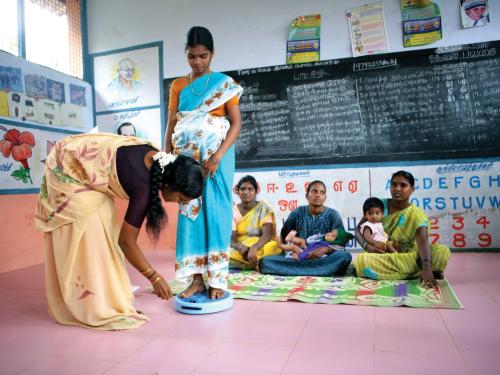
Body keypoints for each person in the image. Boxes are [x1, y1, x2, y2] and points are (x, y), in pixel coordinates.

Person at [35, 133, 204, 330]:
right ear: (169, 185)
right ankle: (93, 306)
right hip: (66, 167)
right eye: (181, 199)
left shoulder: (159, 162)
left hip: (79, 161)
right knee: (94, 236)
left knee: (107, 226)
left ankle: (110, 298)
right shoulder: (143, 187)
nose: (180, 204)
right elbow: (126, 242)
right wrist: (154, 277)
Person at [165, 26, 243, 299]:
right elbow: (172, 123)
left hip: (217, 163)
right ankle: (196, 279)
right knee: (191, 216)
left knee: (218, 216)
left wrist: (217, 156)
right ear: (185, 54)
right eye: (192, 56)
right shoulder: (177, 85)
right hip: (187, 164)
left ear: (212, 54)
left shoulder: (224, 84)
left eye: (203, 56)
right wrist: (168, 160)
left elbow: (236, 124)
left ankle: (218, 281)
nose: (197, 62)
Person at [354, 171, 451, 288]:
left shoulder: (416, 214)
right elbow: (358, 230)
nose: (397, 189)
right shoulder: (379, 206)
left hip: (408, 254)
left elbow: (423, 240)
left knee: (442, 252)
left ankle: (419, 269)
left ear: (412, 189)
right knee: (362, 260)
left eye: (403, 185)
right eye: (394, 185)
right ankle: (414, 272)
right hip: (382, 254)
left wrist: (426, 265)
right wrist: (367, 246)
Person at [259, 180, 353, 276]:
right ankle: (321, 270)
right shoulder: (297, 212)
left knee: (344, 256)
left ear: (325, 198)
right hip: (299, 256)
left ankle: (297, 270)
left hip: (324, 257)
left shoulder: (333, 215)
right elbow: (285, 235)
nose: (318, 195)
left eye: (322, 192)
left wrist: (325, 249)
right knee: (265, 261)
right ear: (307, 195)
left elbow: (342, 241)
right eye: (314, 191)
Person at [229, 175, 282, 270]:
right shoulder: (233, 211)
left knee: (273, 246)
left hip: (260, 244)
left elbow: (267, 235)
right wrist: (240, 247)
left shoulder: (264, 208)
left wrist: (254, 247)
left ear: (256, 191)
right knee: (223, 251)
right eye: (243, 189)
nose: (246, 192)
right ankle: (258, 263)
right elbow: (231, 239)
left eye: (250, 189)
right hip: (242, 247)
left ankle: (249, 261)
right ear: (237, 191)